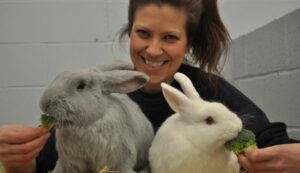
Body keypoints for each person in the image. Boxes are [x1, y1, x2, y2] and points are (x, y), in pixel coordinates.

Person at [0, 0, 299, 173]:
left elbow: (268, 137)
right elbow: (50, 161)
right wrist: (20, 160)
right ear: (130, 32)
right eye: (143, 33)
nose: (153, 51)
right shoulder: (98, 94)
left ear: (187, 44)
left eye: (169, 38)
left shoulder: (208, 92)